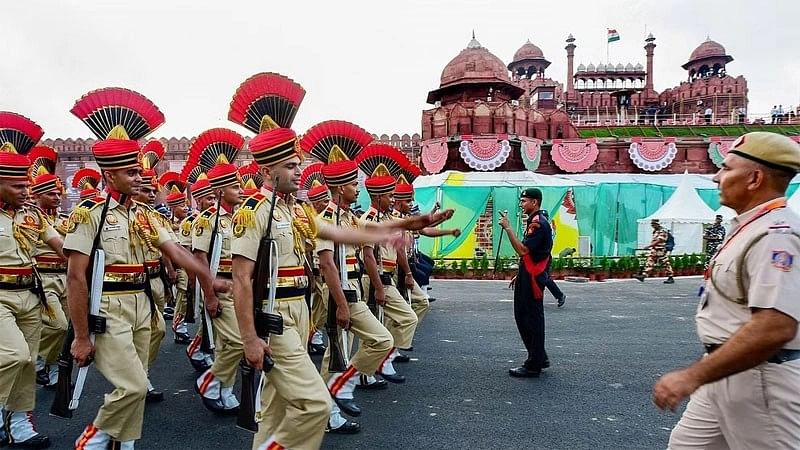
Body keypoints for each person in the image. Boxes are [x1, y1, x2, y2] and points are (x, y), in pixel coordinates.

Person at [66, 89, 225, 448]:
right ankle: (92, 438)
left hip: (145, 302)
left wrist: (208, 276)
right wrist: (79, 334)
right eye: (130, 172)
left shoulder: (146, 216)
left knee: (139, 379)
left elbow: (175, 251)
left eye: (139, 171)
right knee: (133, 385)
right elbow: (76, 276)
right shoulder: (90, 215)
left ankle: (124, 442)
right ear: (109, 175)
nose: (140, 177)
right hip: (108, 308)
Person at [653, 132, 800, 448]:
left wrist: (690, 377)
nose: (716, 176)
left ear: (754, 178)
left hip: (760, 379)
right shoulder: (749, 226)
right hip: (721, 372)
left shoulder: (776, 235)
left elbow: (775, 327)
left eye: (726, 168)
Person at [0, 116, 64, 448]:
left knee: (28, 359)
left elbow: (60, 246)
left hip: (30, 293)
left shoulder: (32, 215)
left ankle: (19, 422)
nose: (27, 192)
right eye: (19, 186)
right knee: (15, 356)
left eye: (27, 186)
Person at [499, 188, 553, 378]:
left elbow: (523, 250)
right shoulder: (536, 221)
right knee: (528, 317)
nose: (521, 205)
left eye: (524, 201)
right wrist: (520, 273)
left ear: (535, 202)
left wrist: (508, 228)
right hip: (529, 273)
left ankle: (533, 364)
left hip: (533, 277)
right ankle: (540, 356)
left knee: (529, 319)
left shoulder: (538, 224)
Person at [634, 219, 674, 283]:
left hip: (660, 250)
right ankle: (643, 275)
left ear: (657, 224)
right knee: (650, 261)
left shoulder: (662, 231)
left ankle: (670, 277)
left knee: (665, 263)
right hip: (655, 250)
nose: (652, 226)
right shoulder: (655, 231)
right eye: (652, 224)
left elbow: (659, 240)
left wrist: (649, 246)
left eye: (653, 224)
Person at [541, 210, 566, 307]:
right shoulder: (546, 228)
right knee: (541, 278)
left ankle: (560, 295)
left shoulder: (547, 229)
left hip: (545, 257)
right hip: (542, 257)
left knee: (544, 278)